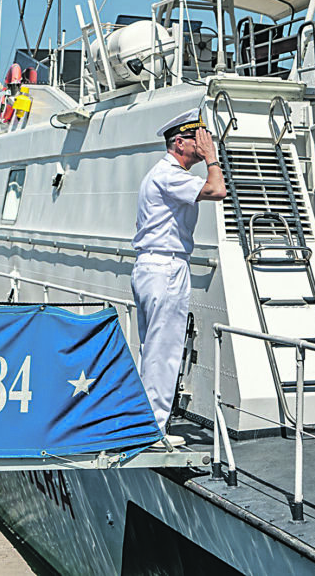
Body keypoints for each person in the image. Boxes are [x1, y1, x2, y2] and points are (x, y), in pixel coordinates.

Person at [131, 108, 227, 440]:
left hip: (154, 267)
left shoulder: (165, 173)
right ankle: (153, 432)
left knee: (153, 350)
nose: (203, 144)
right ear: (180, 142)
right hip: (164, 268)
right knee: (164, 351)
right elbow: (218, 190)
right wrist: (212, 158)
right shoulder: (169, 174)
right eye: (198, 139)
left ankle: (146, 424)